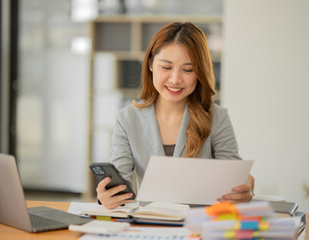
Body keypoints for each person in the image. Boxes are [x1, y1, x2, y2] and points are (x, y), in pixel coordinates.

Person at [96, 22, 254, 209]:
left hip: (201, 224)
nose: (175, 79)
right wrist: (106, 196)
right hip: (149, 224)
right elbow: (119, 181)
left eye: (188, 70)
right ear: (150, 65)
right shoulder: (127, 119)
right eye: (166, 67)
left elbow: (235, 175)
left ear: (200, 72)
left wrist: (246, 189)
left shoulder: (217, 118)